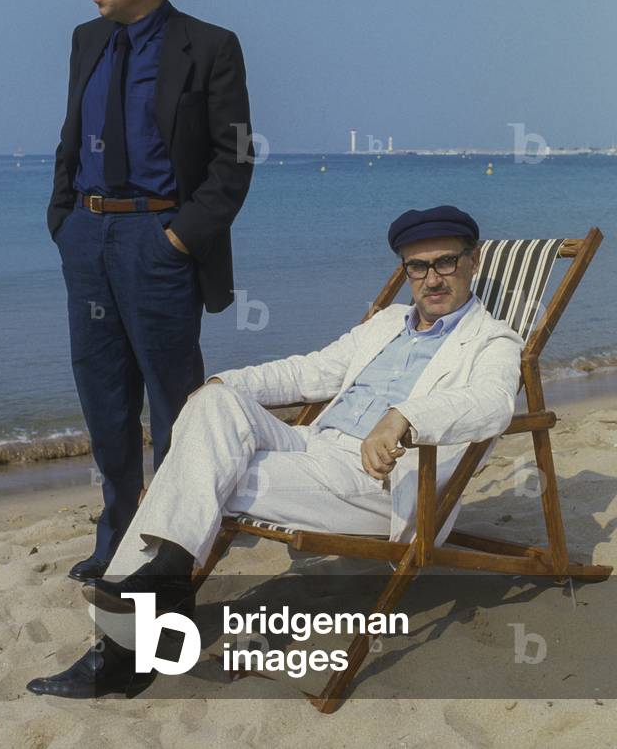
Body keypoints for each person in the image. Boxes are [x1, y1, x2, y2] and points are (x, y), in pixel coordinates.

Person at [28, 205, 523, 699]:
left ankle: (120, 651)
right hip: (313, 447)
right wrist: (226, 383)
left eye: (446, 262)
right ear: (405, 270)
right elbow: (309, 371)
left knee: (194, 472)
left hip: (378, 478)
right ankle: (167, 581)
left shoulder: (492, 341)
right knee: (215, 405)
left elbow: (492, 404)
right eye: (418, 266)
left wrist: (404, 417)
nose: (432, 279)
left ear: (473, 261)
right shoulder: (388, 322)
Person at [47, 0, 254, 582]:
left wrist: (177, 238)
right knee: (103, 397)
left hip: (157, 239)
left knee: (173, 405)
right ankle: (115, 538)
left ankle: (168, 546)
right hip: (88, 235)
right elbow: (72, 135)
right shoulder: (87, 40)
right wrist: (63, 220)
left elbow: (234, 159)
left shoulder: (210, 46)